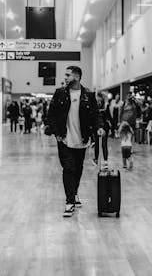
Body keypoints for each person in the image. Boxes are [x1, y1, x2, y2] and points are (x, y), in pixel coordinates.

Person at [45, 66, 104, 217]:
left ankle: (74, 193)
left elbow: (96, 115)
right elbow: (51, 114)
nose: (65, 78)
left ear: (77, 77)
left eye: (67, 75)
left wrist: (99, 127)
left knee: (78, 169)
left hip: (82, 139)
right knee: (68, 168)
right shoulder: (60, 94)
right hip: (65, 139)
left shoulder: (88, 95)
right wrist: (57, 133)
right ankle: (69, 201)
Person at [92, 92, 110, 167]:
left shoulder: (104, 105)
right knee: (98, 144)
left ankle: (104, 161)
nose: (97, 99)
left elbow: (108, 116)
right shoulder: (96, 105)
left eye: (98, 97)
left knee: (103, 144)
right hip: (97, 126)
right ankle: (98, 160)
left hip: (103, 126)